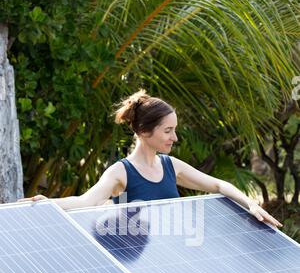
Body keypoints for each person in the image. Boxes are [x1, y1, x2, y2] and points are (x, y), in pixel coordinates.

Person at [19, 89, 282, 227]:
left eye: (174, 130)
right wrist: (49, 203)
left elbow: (217, 185)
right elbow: (85, 200)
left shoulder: (171, 166)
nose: (174, 138)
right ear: (144, 132)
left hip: (174, 263)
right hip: (141, 267)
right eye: (168, 131)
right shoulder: (120, 173)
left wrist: (251, 204)